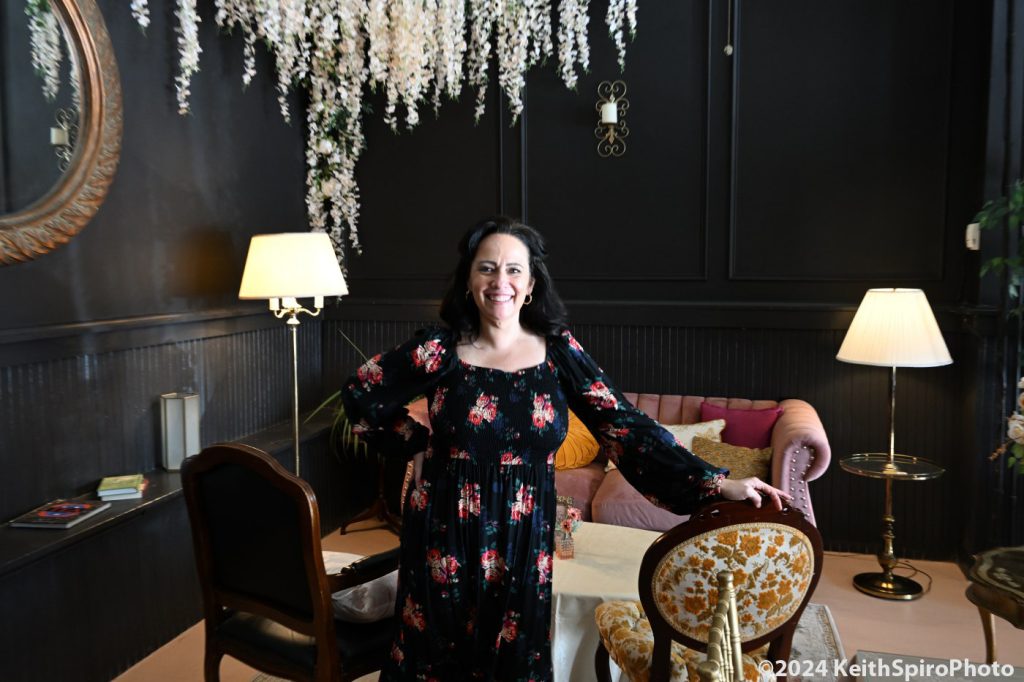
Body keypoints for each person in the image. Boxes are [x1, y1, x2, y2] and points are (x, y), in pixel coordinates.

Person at [340, 216, 791, 681]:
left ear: (532, 283)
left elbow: (623, 422)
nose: (501, 282)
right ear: (469, 280)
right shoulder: (440, 350)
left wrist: (718, 482)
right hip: (445, 528)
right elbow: (361, 394)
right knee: (437, 653)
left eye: (514, 270)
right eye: (487, 268)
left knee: (513, 656)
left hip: (525, 535)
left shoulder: (557, 351)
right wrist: (414, 442)